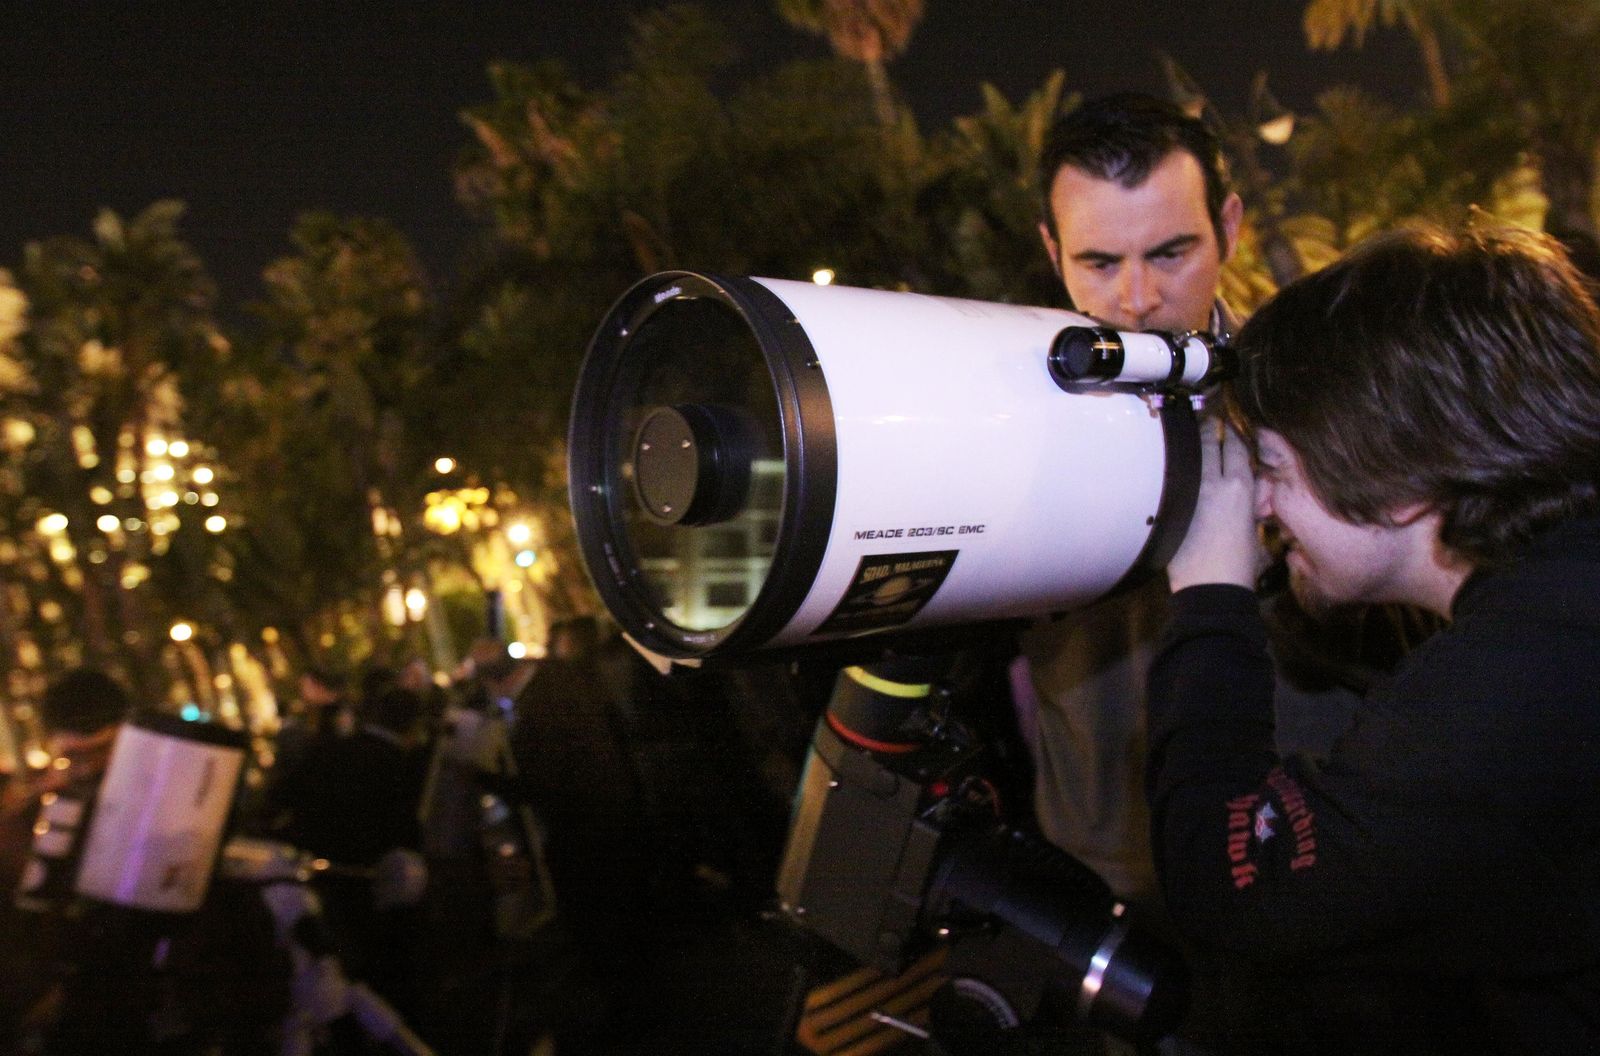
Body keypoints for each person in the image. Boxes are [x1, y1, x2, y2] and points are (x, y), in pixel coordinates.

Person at [1150, 223, 1600, 1051]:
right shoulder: (1557, 611)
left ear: (1391, 477)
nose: (1258, 507)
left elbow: (1230, 887)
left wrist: (1211, 594)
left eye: (1276, 470)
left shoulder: (1496, 701)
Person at [1021, 92, 1244, 909]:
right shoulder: (1011, 423)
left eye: (1172, 252)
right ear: (1053, 250)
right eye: (1100, 263)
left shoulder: (1307, 394)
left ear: (1231, 223)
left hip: (1295, 842)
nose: (1139, 297)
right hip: (1110, 863)